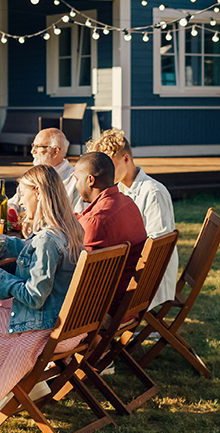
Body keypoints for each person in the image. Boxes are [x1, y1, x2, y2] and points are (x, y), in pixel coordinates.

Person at [0, 165, 86, 423]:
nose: (19, 202)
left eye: (22, 195)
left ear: (39, 193)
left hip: (43, 326)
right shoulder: (70, 229)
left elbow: (34, 297)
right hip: (70, 323)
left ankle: (5, 389)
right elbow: (28, 246)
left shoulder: (47, 240)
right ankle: (25, 383)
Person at [85, 129, 179, 309]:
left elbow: (158, 247)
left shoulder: (153, 192)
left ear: (126, 159)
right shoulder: (117, 190)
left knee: (93, 296)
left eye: (110, 166)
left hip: (148, 280)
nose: (106, 172)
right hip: (130, 270)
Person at [73, 151, 147, 317]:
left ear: (90, 180)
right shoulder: (127, 203)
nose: (76, 185)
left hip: (104, 310)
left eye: (77, 179)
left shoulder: (95, 222)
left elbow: (79, 277)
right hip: (132, 301)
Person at [14, 128, 82, 213]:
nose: (32, 151)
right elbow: (14, 203)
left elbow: (79, 215)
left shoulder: (75, 180)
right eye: (33, 146)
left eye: (38, 147)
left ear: (55, 151)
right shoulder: (32, 176)